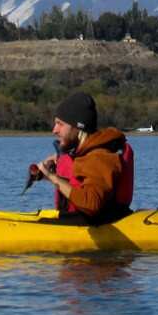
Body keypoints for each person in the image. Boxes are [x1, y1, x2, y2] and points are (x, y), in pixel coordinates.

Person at [28, 91, 134, 224]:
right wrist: (49, 171)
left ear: (78, 128)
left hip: (100, 224)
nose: (54, 130)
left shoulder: (99, 156)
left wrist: (52, 177)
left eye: (60, 124)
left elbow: (92, 204)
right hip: (79, 220)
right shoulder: (84, 153)